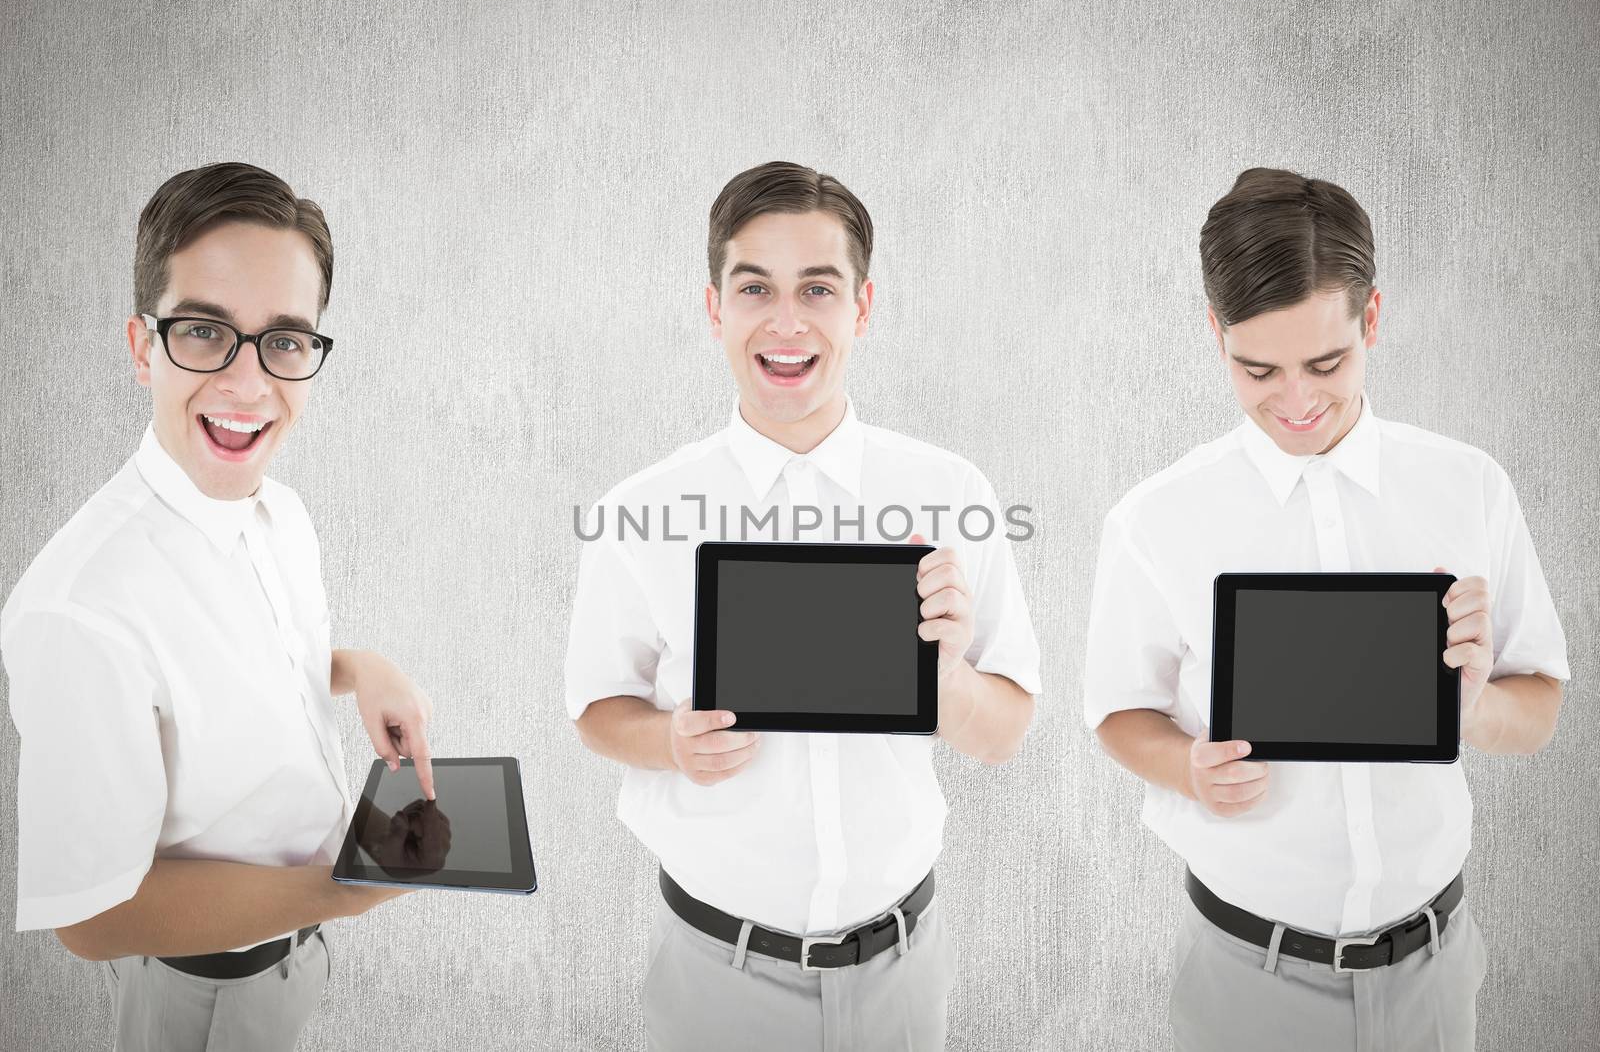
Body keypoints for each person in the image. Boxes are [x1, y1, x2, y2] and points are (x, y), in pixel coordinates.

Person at [1084, 167, 1569, 1050]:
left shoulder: (1468, 488)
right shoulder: (1157, 517)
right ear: (1214, 334)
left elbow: (1538, 707)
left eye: (1327, 362)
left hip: (1435, 970)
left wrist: (1477, 701)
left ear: (1372, 320)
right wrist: (1189, 766)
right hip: (1243, 982)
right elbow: (1116, 712)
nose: (1298, 401)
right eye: (1257, 368)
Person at [564, 160, 1042, 1050]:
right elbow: (595, 709)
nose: (786, 322)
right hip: (715, 978)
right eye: (755, 288)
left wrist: (943, 674)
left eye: (818, 288)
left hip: (903, 972)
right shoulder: (640, 511)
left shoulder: (949, 491)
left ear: (862, 308)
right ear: (715, 308)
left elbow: (1003, 733)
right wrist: (668, 740)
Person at [2, 162, 438, 1052]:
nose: (248, 384)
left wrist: (360, 669)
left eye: (284, 340)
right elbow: (93, 917)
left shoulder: (280, 512)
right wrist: (346, 887)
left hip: (291, 963)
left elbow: (234, 671)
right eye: (204, 332)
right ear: (141, 346)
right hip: (201, 998)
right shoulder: (78, 605)